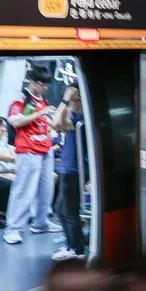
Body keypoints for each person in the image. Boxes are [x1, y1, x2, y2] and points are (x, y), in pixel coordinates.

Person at [4, 65, 62, 246]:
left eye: (46, 84)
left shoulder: (43, 100)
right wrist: (41, 112)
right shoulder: (22, 98)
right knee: (24, 190)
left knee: (46, 189)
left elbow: (40, 123)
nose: (45, 87)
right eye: (41, 84)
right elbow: (16, 122)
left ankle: (40, 222)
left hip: (45, 149)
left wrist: (50, 127)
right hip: (28, 150)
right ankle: (13, 229)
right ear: (31, 81)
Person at [52, 87, 87, 262]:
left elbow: (56, 123)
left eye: (74, 101)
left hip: (74, 170)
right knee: (61, 210)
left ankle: (76, 250)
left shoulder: (81, 120)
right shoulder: (76, 118)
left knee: (69, 211)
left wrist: (65, 99)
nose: (71, 105)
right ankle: (70, 245)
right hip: (67, 168)